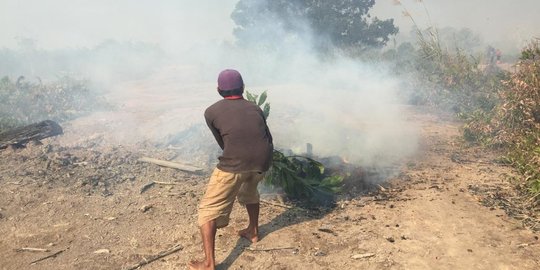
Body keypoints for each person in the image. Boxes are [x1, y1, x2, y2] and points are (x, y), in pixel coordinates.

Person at [189, 69, 273, 270]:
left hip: (235, 164)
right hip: (262, 161)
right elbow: (266, 136)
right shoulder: (255, 108)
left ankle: (209, 264)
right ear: (243, 88)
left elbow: (222, 143)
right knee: (250, 192)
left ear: (219, 90)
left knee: (207, 211)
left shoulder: (211, 111)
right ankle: (253, 231)